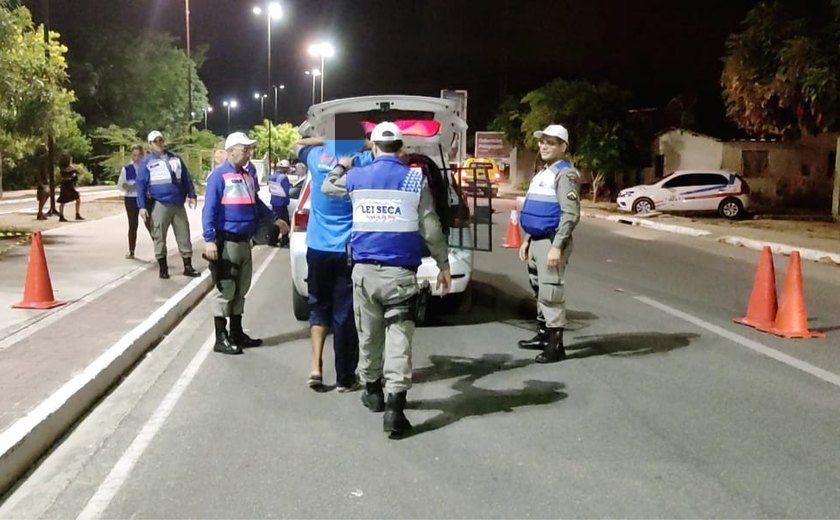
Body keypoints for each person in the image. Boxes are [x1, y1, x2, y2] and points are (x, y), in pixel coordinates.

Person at [323, 121, 451, 437]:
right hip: (401, 276)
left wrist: (342, 163)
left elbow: (328, 187)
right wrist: (443, 263)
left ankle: (373, 392)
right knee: (399, 340)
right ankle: (395, 408)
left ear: (374, 146)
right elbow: (430, 225)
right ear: (401, 147)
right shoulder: (413, 178)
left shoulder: (358, 176)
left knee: (368, 335)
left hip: (364, 274)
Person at [294, 134, 373, 392]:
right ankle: (344, 378)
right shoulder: (362, 161)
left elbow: (298, 145)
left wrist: (325, 141)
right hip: (347, 250)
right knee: (344, 313)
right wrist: (362, 142)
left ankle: (316, 367)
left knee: (318, 307)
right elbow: (390, 151)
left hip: (317, 248)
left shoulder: (317, 158)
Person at [202, 132, 289, 355]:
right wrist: (209, 240)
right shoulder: (219, 176)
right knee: (226, 289)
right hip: (227, 242)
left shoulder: (248, 176)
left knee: (241, 289)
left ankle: (237, 333)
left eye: (250, 149)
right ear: (231, 151)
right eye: (245, 148)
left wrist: (274, 219)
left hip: (244, 242)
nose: (249, 152)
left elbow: (256, 203)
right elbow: (209, 209)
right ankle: (220, 338)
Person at [516, 124, 581, 363]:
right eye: (542, 141)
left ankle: (556, 345)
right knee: (539, 289)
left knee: (551, 291)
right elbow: (536, 209)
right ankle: (543, 335)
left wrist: (557, 246)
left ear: (563, 147)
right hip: (537, 240)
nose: (543, 145)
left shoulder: (565, 174)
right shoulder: (544, 172)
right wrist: (527, 239)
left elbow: (570, 214)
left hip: (552, 241)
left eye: (551, 142)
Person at [136, 130, 200, 279]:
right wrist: (142, 206)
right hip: (160, 203)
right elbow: (141, 186)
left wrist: (192, 195)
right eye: (155, 141)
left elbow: (186, 177)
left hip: (177, 204)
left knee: (184, 234)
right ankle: (163, 269)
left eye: (161, 140)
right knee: (159, 236)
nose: (159, 143)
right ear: (150, 144)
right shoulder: (147, 162)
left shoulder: (176, 158)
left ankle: (188, 266)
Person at [116, 145, 150, 259]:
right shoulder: (126, 168)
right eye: (134, 155)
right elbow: (121, 184)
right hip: (131, 198)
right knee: (132, 224)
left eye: (139, 155)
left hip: (143, 198)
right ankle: (131, 250)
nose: (137, 158)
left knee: (149, 223)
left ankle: (159, 247)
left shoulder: (146, 168)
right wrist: (131, 187)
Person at [268, 159, 292, 247]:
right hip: (282, 203)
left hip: (274, 202)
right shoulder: (283, 178)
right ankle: (284, 241)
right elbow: (286, 192)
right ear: (285, 168)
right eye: (287, 168)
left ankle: (272, 240)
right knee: (285, 222)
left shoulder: (272, 176)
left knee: (276, 221)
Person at [57, 153, 83, 222]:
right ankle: (77, 214)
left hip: (64, 185)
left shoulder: (62, 168)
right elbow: (75, 175)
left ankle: (61, 216)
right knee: (77, 198)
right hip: (68, 184)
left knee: (62, 201)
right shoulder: (70, 168)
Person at [34, 145, 50, 220]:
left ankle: (40, 212)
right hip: (42, 180)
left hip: (43, 180)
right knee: (44, 195)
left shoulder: (41, 159)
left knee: (45, 195)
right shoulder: (41, 159)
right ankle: (40, 213)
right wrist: (40, 181)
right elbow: (39, 171)